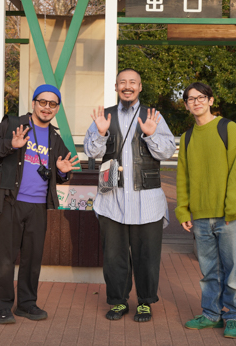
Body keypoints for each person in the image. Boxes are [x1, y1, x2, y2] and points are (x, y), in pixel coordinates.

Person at [84, 68, 176, 322]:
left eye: (132, 82)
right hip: (112, 200)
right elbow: (91, 152)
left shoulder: (153, 116)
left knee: (147, 256)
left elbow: (167, 151)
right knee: (114, 257)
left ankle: (145, 302)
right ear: (116, 87)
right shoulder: (104, 116)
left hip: (148, 201)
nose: (127, 86)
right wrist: (101, 133)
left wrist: (151, 134)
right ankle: (117, 301)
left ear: (140, 87)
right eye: (122, 82)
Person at [0, 84, 80, 325]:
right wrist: (11, 144)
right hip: (11, 201)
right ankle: (2, 305)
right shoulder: (13, 124)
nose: (47, 107)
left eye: (52, 104)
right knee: (4, 257)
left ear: (57, 108)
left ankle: (27, 304)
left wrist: (63, 172)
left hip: (38, 207)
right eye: (43, 102)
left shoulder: (55, 138)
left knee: (32, 258)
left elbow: (62, 172)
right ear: (34, 103)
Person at [175, 82, 236, 340]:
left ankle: (234, 316)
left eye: (201, 97)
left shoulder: (227, 128)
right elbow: (183, 177)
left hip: (229, 216)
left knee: (233, 271)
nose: (196, 102)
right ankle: (211, 314)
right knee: (209, 272)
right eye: (190, 99)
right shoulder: (186, 138)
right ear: (186, 105)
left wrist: (233, 209)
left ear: (210, 100)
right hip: (200, 216)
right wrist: (183, 211)